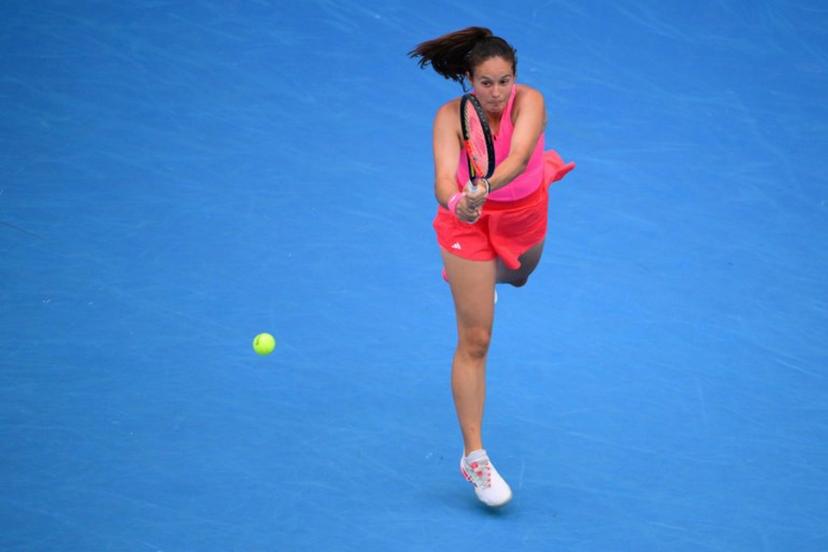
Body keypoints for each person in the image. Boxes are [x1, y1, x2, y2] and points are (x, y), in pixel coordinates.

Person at [409, 27, 574, 508]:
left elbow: (521, 157)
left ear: (515, 78)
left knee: (522, 272)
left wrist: (483, 185)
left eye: (505, 81)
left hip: (522, 216)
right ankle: (473, 455)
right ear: (469, 80)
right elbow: (443, 180)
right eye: (486, 83)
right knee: (476, 340)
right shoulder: (447, 118)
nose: (498, 93)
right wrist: (460, 200)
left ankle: (486, 283)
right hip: (468, 226)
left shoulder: (531, 103)